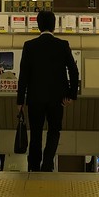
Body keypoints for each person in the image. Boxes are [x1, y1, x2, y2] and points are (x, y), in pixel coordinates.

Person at [16, 10, 79, 172]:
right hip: (57, 99)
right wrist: (70, 95)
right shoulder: (62, 45)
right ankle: (48, 163)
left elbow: (23, 75)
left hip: (35, 98)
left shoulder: (29, 46)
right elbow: (73, 71)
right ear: (54, 26)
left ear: (38, 25)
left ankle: (34, 166)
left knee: (36, 133)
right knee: (54, 131)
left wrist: (20, 101)